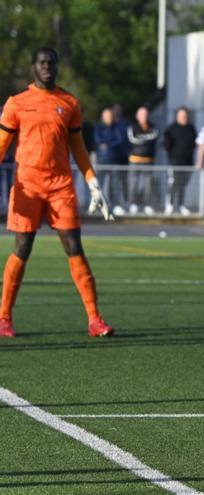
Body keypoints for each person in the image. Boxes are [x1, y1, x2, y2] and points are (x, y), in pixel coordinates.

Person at [0, 47, 114, 338]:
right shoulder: (17, 103)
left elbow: (78, 148)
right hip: (27, 185)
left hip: (60, 186)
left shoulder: (69, 103)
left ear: (57, 67)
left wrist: (92, 182)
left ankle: (94, 319)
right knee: (22, 248)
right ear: (33, 68)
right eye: (42, 63)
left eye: (51, 63)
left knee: (74, 246)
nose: (47, 67)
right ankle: (3, 318)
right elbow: (1, 145)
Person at [162, 106, 197, 215]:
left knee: (183, 184)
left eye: (185, 116)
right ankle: (170, 204)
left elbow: (194, 143)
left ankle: (181, 205)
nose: (183, 117)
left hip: (187, 162)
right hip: (175, 162)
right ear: (177, 116)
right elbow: (166, 143)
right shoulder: (171, 128)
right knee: (174, 183)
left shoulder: (191, 128)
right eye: (181, 116)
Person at [93, 107, 128, 217]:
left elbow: (119, 140)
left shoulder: (117, 128)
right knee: (99, 185)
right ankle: (98, 206)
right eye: (106, 116)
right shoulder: (99, 128)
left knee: (115, 184)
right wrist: (108, 144)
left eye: (110, 116)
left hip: (115, 160)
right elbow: (98, 140)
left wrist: (108, 145)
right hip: (102, 160)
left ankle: (115, 205)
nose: (108, 118)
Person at [127, 106, 160, 215]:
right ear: (137, 116)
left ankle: (147, 205)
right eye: (141, 115)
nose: (143, 117)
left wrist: (142, 138)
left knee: (148, 184)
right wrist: (145, 138)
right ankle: (133, 204)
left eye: (145, 115)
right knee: (133, 183)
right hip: (135, 159)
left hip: (148, 159)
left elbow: (154, 137)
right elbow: (133, 140)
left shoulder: (153, 127)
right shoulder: (132, 127)